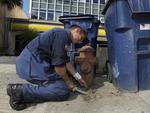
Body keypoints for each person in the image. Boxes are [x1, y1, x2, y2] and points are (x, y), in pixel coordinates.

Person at [7, 25, 88, 111]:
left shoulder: (63, 37)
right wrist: (68, 82)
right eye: (81, 38)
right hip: (31, 64)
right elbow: (59, 66)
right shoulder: (62, 35)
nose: (80, 42)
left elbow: (66, 62)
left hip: (32, 64)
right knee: (62, 91)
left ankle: (22, 90)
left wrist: (79, 78)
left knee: (60, 85)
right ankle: (19, 91)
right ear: (77, 30)